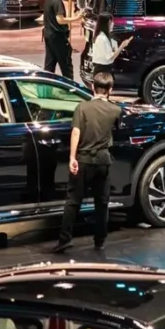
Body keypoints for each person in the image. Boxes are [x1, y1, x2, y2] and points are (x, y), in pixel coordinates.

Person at [54, 71, 121, 253]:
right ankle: (99, 240)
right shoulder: (116, 110)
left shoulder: (82, 108)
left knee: (73, 201)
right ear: (110, 90)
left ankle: (65, 240)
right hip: (103, 160)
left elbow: (75, 132)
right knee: (102, 202)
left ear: (93, 87)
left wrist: (72, 158)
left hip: (83, 160)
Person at [42, 0, 80, 77]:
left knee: (49, 65)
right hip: (58, 37)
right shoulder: (57, 0)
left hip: (49, 35)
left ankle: (46, 88)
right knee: (66, 66)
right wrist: (76, 18)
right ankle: (69, 89)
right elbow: (60, 20)